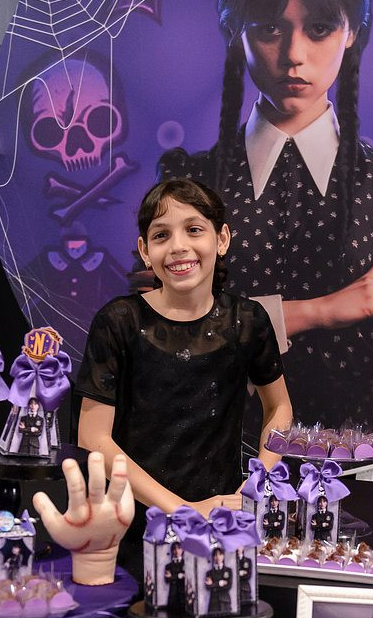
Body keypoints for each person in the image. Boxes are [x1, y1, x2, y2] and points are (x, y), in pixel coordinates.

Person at [156, 0, 373, 436]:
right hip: (206, 452)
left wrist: (229, 328)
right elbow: (165, 339)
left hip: (344, 456)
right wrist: (325, 311)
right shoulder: (188, 181)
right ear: (234, 28)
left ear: (353, 31)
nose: (293, 55)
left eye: (320, 27)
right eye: (269, 27)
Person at [75, 178, 292, 577]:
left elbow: (279, 407)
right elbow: (93, 438)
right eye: (161, 235)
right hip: (134, 524)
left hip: (221, 524)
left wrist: (255, 487)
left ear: (221, 239)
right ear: (145, 250)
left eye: (193, 229)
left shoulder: (247, 320)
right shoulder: (119, 322)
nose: (178, 246)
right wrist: (183, 510)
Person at [204, 546, 233, 615]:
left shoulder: (228, 570)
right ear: (213, 557)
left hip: (225, 601)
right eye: (215, 555)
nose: (218, 557)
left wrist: (213, 584)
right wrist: (220, 583)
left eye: (220, 554)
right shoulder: (209, 573)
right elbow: (208, 587)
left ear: (223, 556)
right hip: (213, 602)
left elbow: (228, 586)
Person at [162, 541, 189, 615]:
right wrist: (179, 575)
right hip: (173, 594)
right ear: (172, 551)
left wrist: (173, 576)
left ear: (182, 550)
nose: (177, 551)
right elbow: (167, 579)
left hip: (183, 593)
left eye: (179, 548)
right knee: (171, 613)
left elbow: (186, 577)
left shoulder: (186, 564)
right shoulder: (168, 566)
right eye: (174, 549)